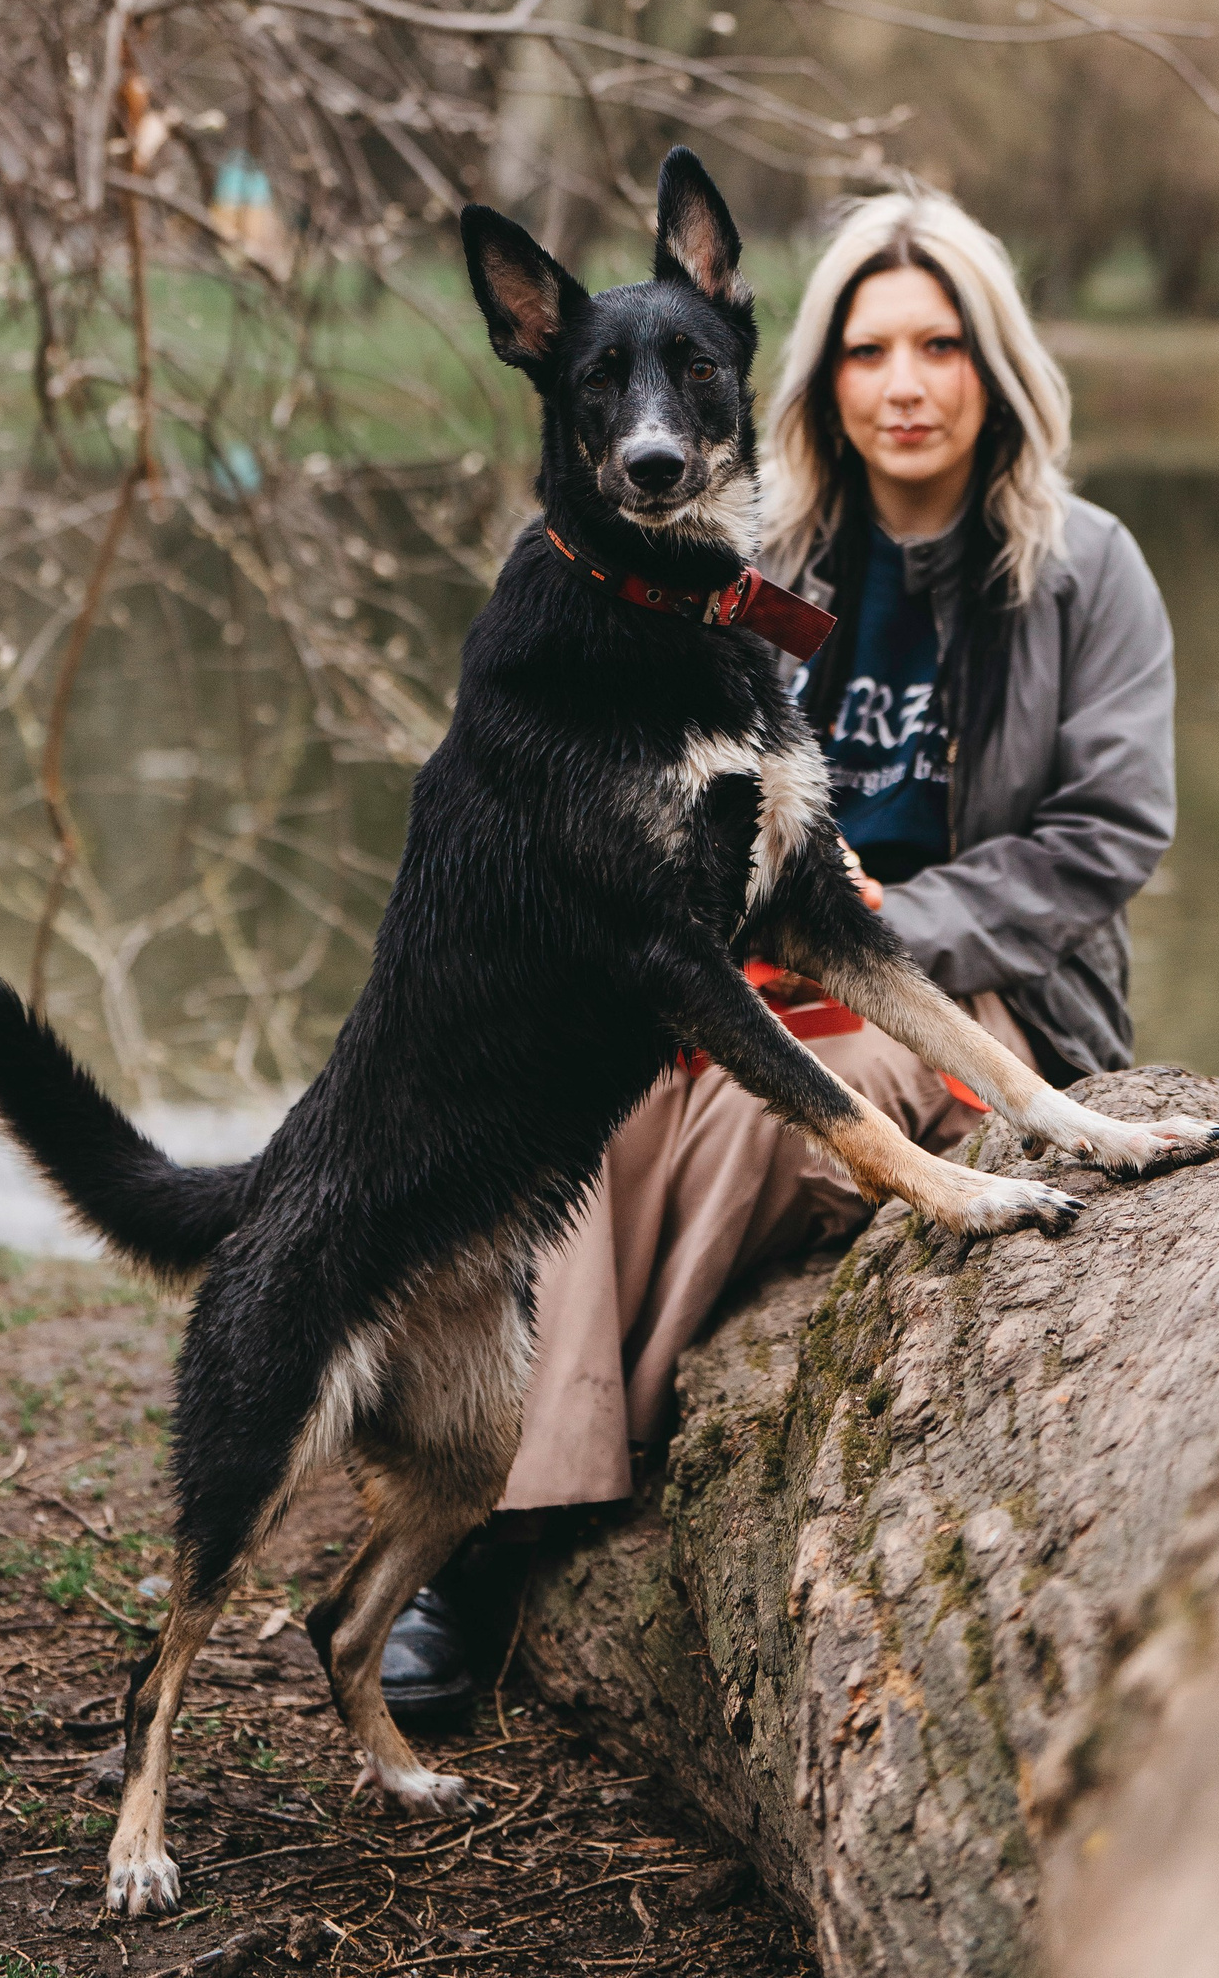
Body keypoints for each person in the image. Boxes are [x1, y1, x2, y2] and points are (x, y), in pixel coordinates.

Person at [380, 177, 1176, 1718]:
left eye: (940, 346)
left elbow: (1107, 834)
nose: (903, 383)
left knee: (767, 1127)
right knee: (589, 1104)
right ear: (814, 377)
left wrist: (881, 922)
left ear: (997, 368)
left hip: (971, 991)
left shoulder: (1086, 568)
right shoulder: (747, 549)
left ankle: (510, 1535)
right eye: (869, 351)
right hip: (742, 967)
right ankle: (477, 1464)